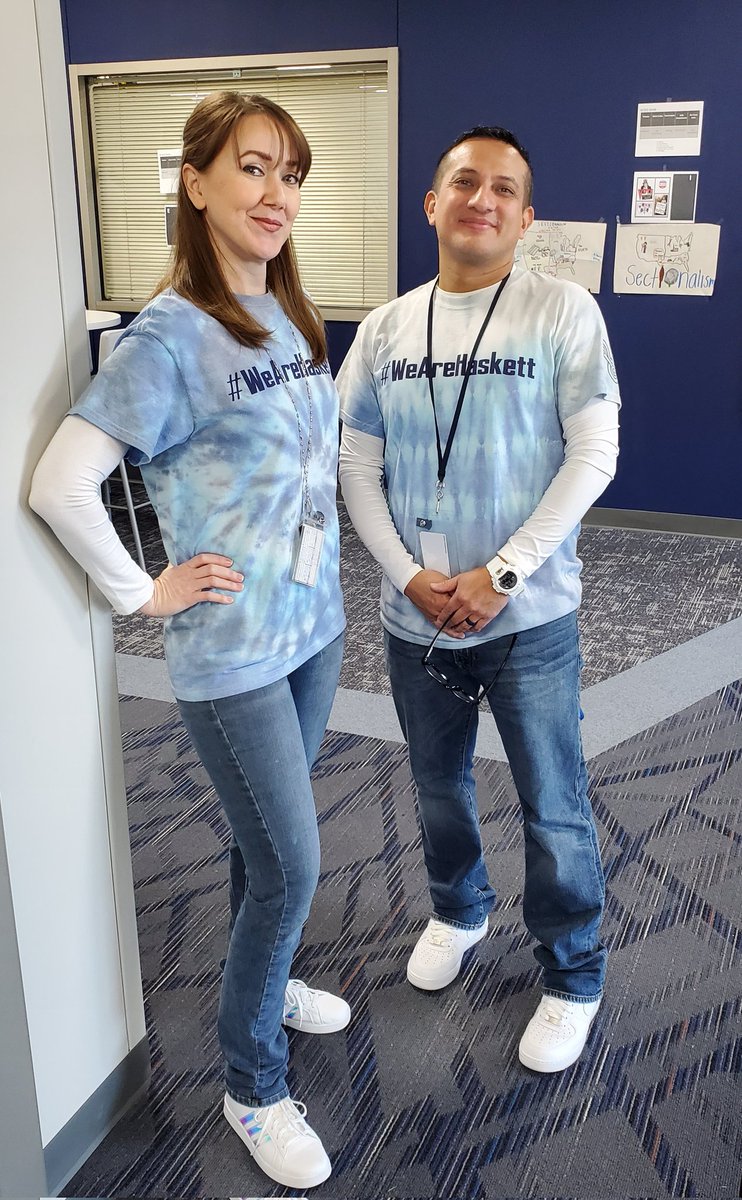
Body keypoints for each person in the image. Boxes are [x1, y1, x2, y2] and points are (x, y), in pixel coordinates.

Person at [30, 92, 347, 1190]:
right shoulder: (170, 336)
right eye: (253, 169)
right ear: (197, 183)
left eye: (293, 174)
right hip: (234, 654)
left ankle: (270, 980)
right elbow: (61, 483)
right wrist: (140, 593)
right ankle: (252, 1081)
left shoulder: (292, 320)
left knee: (268, 844)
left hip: (312, 628)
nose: (277, 195)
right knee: (291, 861)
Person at [337, 126, 620, 1074]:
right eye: (465, 182)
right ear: (432, 202)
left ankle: (574, 972)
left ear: (526, 216)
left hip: (529, 616)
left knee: (553, 802)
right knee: (435, 786)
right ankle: (459, 910)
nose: (482, 199)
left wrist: (501, 574)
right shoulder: (384, 328)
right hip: (413, 615)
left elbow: (595, 456)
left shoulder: (562, 312)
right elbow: (355, 463)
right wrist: (408, 575)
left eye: (505, 189)